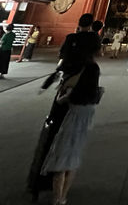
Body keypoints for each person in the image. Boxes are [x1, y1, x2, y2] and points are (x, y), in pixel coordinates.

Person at [28, 13, 101, 201]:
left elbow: (61, 61)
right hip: (81, 101)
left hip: (64, 91)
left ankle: (40, 181)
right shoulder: (92, 64)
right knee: (72, 143)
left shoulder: (70, 40)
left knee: (52, 135)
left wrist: (51, 81)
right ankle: (60, 193)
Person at [41, 47, 102, 205]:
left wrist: (63, 96)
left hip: (71, 116)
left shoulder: (76, 69)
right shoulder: (93, 68)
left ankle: (57, 198)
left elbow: (66, 96)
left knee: (61, 158)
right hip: (85, 116)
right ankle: (63, 197)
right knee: (73, 158)